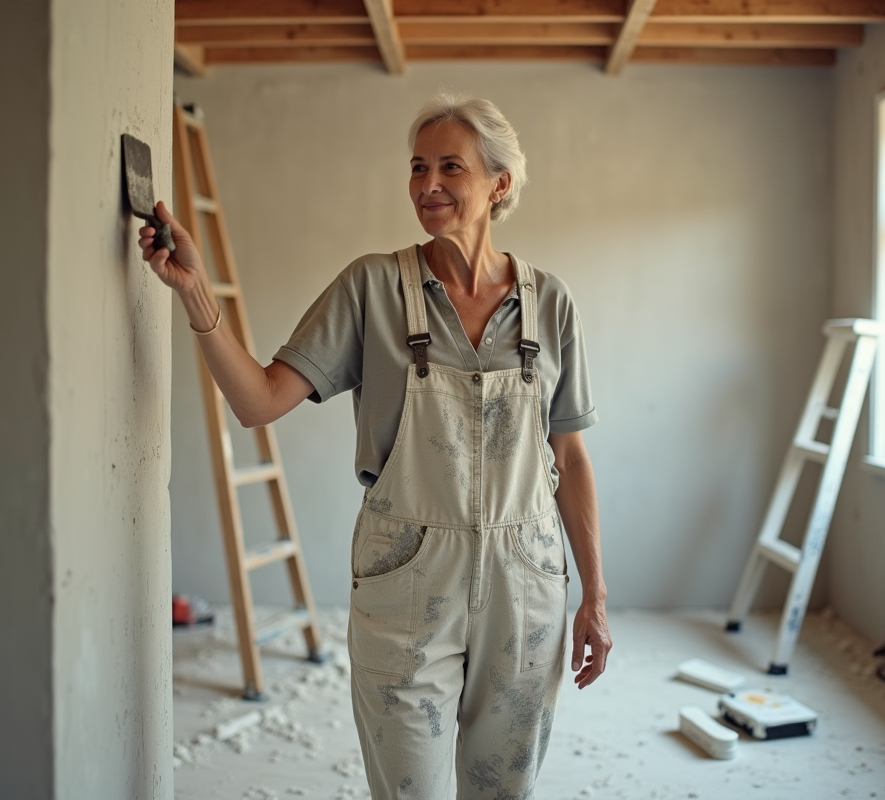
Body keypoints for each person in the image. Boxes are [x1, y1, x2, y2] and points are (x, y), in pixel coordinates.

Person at [139, 93, 611, 799]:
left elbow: (568, 458)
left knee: (503, 790)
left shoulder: (552, 304)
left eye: (451, 166)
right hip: (408, 582)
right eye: (418, 167)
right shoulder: (371, 287)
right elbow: (257, 402)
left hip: (529, 581)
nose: (428, 184)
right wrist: (196, 293)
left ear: (499, 183)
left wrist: (594, 594)